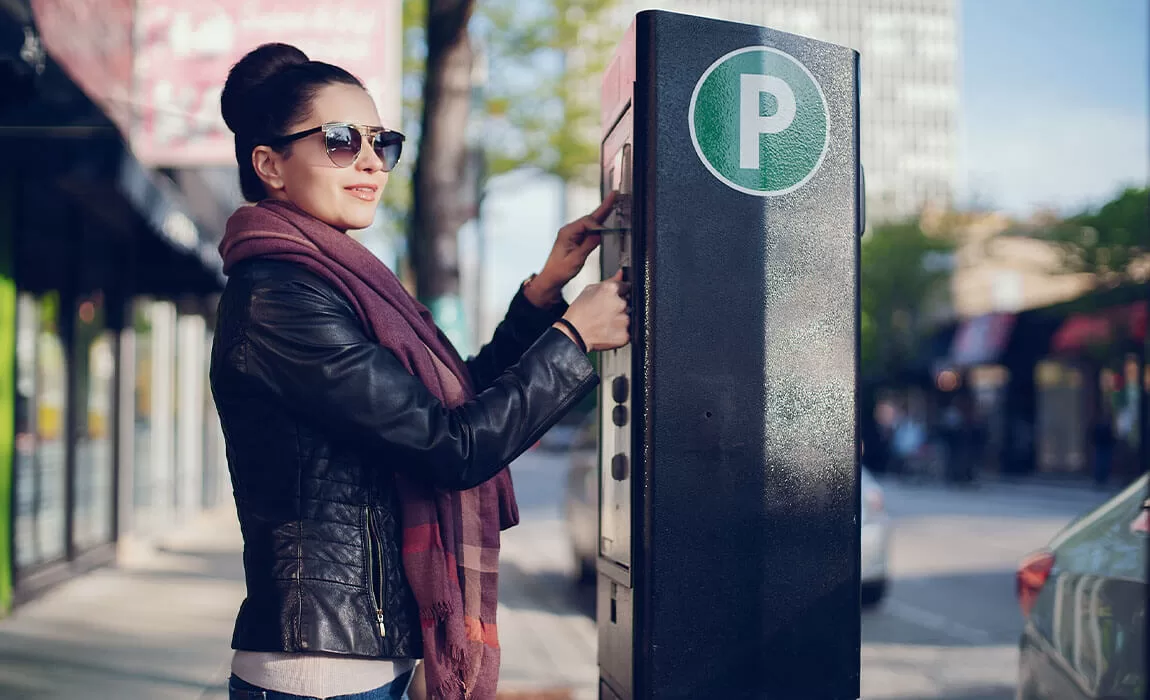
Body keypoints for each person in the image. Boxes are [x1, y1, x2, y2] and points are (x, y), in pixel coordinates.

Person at [210, 43, 630, 700]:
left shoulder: (336, 282)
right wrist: (574, 342)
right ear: (270, 164)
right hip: (320, 670)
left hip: (357, 657)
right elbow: (452, 447)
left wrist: (545, 295)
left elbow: (444, 405)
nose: (372, 161)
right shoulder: (281, 298)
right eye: (341, 141)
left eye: (382, 142)